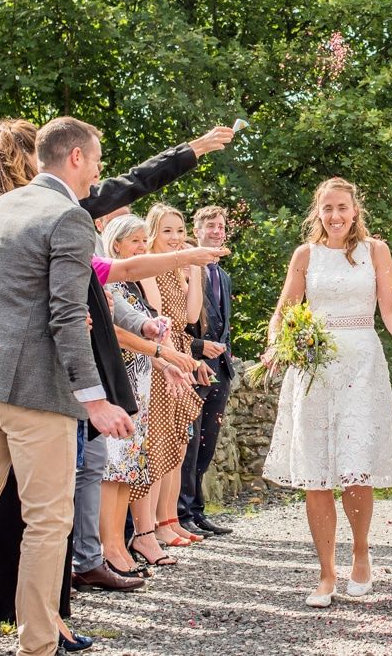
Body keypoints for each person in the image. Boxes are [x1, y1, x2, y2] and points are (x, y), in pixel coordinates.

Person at [0, 117, 136, 656]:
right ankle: (38, 645)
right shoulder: (69, 217)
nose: (98, 170)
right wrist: (95, 399)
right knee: (48, 521)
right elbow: (67, 315)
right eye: (96, 159)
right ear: (74, 159)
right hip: (38, 394)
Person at [262, 177, 392, 607]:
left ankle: (360, 555)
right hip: (313, 367)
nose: (336, 216)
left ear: (355, 210)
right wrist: (276, 345)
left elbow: (391, 310)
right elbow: (285, 310)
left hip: (362, 364)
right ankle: (325, 573)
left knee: (355, 467)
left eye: (342, 207)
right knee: (317, 471)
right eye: (327, 209)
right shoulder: (305, 255)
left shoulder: (376, 250)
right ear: (318, 212)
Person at [139, 203, 206, 549]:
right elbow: (156, 315)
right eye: (167, 231)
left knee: (179, 443)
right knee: (159, 442)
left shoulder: (178, 268)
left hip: (180, 350)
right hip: (162, 355)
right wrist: (169, 362)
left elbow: (191, 315)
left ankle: (169, 519)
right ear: (152, 234)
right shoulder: (151, 266)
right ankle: (149, 526)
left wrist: (195, 269)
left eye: (180, 230)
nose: (176, 237)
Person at [179, 205, 236, 536]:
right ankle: (181, 511)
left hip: (220, 368)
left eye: (221, 226)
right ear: (196, 231)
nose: (217, 231)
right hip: (193, 364)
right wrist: (198, 349)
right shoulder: (188, 269)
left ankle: (197, 509)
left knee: (207, 442)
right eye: (210, 226)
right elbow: (176, 319)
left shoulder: (223, 276)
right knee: (187, 441)